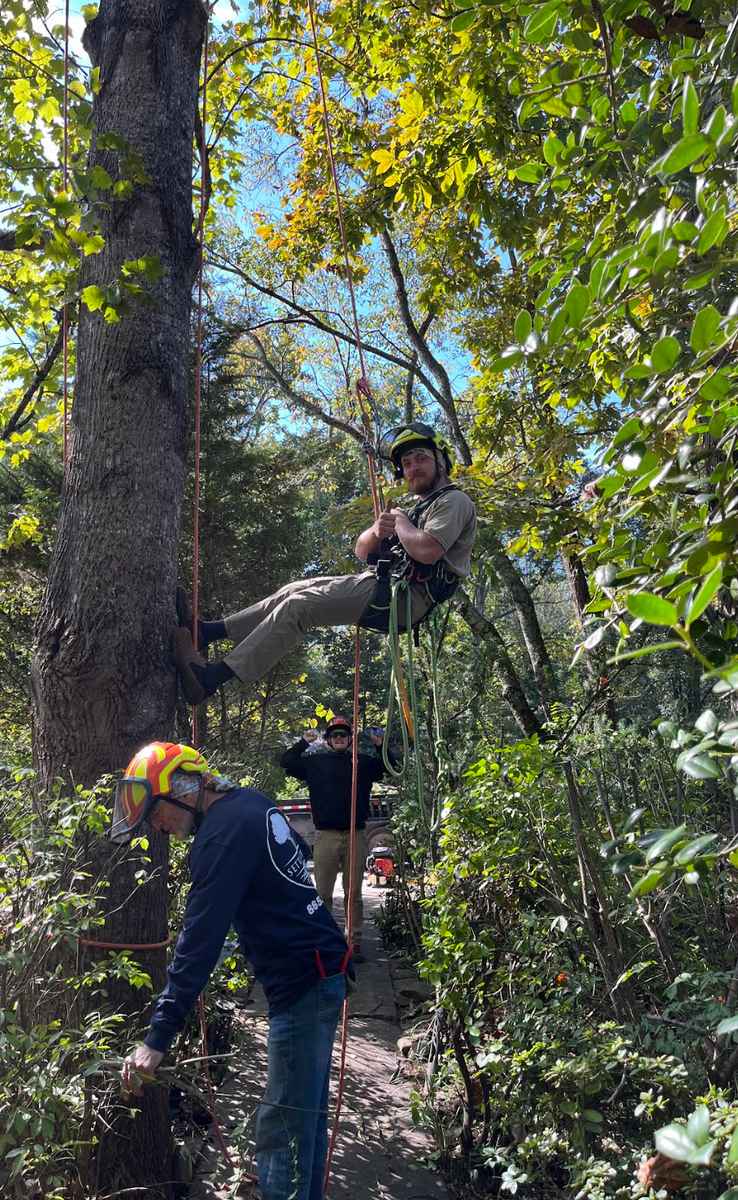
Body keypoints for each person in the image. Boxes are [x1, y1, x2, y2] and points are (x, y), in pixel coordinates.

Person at [115, 741, 353, 1200]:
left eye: (156, 811)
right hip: (324, 970)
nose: (157, 825)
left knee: (282, 1128)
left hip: (303, 981)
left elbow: (197, 946)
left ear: (185, 789)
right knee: (306, 1120)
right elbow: (295, 855)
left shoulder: (220, 837)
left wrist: (156, 1040)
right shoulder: (251, 802)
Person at [175, 423, 477, 705]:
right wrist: (377, 529)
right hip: (383, 584)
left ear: (441, 461)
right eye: (407, 464)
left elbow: (428, 551)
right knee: (294, 590)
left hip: (407, 598)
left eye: (420, 459)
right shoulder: (416, 508)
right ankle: (207, 632)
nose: (413, 469)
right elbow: (362, 550)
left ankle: (210, 679)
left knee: (300, 606)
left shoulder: (454, 501)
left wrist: (399, 522)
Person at [280, 715, 395, 963]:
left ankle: (353, 944)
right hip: (326, 835)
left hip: (356, 833)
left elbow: (391, 766)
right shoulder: (315, 762)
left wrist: (378, 744)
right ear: (329, 739)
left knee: (353, 894)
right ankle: (323, 943)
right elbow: (287, 763)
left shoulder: (362, 763)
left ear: (350, 738)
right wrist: (304, 742)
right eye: (335, 735)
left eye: (344, 734)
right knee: (323, 893)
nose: (340, 738)